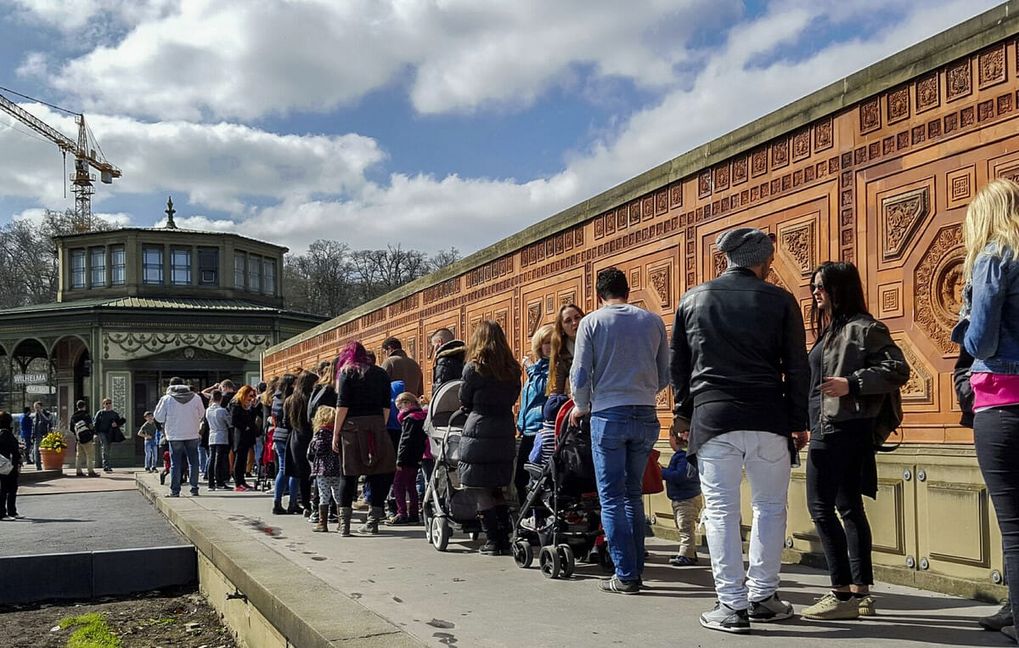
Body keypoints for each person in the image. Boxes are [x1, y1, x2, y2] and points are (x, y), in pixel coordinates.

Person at [671, 227, 809, 632]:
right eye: (770, 260)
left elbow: (681, 366)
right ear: (762, 261)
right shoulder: (782, 300)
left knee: (720, 512)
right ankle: (763, 595)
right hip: (769, 415)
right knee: (770, 508)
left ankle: (731, 605)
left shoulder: (693, 298)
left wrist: (682, 414)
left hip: (714, 418)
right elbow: (797, 367)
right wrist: (798, 421)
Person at [799, 261, 909, 621]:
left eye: (821, 286)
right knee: (849, 509)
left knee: (820, 508)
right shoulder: (834, 329)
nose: (815, 292)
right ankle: (861, 593)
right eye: (814, 286)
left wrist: (853, 383)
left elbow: (897, 369)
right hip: (836, 427)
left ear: (839, 289)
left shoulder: (864, 328)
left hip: (839, 428)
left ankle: (841, 592)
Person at [568, 268, 669, 593]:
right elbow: (665, 372)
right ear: (628, 290)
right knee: (632, 495)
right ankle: (635, 566)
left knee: (610, 497)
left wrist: (582, 404)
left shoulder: (592, 322)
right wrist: (646, 390)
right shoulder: (652, 321)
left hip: (608, 412)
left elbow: (581, 371)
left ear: (599, 295)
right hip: (645, 412)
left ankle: (626, 574)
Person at [952, 178, 1019, 645]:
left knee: (1013, 522)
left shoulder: (993, 257)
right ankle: (1013, 605)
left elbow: (982, 339)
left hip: (1003, 396)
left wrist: (964, 332)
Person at [459, 320, 522, 555]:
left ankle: (493, 540)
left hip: (479, 427)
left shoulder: (473, 368)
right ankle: (505, 537)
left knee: (481, 489)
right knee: (498, 487)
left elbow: (464, 397)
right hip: (505, 427)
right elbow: (514, 395)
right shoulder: (513, 368)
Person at [332, 341, 397, 535]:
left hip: (351, 427)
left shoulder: (346, 372)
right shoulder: (381, 374)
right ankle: (373, 521)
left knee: (348, 474)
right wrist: (380, 426)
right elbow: (386, 407)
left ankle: (344, 525)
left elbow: (342, 406)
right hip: (377, 425)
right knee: (380, 473)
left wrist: (336, 433)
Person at [515, 324, 552, 505]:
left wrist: (530, 369)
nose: (549, 346)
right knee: (522, 479)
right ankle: (527, 520)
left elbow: (543, 389)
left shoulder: (552, 368)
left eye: (552, 342)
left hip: (541, 429)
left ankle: (535, 518)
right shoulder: (538, 367)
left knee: (535, 479)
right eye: (546, 343)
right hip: (528, 430)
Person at [154, 377, 206, 497]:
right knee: (193, 461)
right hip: (192, 433)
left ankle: (175, 490)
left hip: (174, 434)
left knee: (175, 462)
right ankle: (194, 488)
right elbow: (202, 414)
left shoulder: (166, 399)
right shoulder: (196, 398)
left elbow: (159, 417)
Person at [662, 424, 702, 567]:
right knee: (683, 526)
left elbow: (680, 476)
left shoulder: (684, 457)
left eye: (669, 437)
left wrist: (662, 472)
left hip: (686, 498)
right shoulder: (685, 455)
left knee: (685, 527)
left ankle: (686, 555)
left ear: (675, 438)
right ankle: (690, 551)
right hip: (683, 497)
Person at [283, 372, 318, 510]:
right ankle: (314, 503)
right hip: (310, 436)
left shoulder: (290, 400)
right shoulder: (310, 399)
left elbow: (285, 422)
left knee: (303, 474)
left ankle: (306, 504)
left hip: (295, 437)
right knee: (314, 472)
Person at [391, 392, 426, 525]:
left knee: (398, 485)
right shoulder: (422, 417)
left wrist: (399, 459)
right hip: (417, 456)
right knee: (411, 485)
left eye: (400, 407)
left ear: (407, 403)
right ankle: (414, 513)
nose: (399, 411)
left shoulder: (409, 419)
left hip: (406, 457)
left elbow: (405, 441)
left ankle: (402, 513)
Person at [271, 374, 301, 515]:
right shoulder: (291, 400)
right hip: (289, 435)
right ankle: (292, 503)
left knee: (282, 469)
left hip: (278, 435)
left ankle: (277, 502)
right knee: (292, 470)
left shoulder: (276, 398)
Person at [309, 404, 342, 533]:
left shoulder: (321, 432)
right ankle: (342, 523)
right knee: (338, 495)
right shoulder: (337, 433)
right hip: (337, 469)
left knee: (324, 495)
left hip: (323, 470)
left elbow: (317, 448)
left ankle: (322, 523)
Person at [548, 304, 585, 395]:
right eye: (568, 321)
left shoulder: (598, 341)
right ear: (562, 328)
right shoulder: (561, 355)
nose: (574, 323)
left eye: (577, 318)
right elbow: (555, 391)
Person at [230, 385, 259, 492]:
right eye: (250, 395)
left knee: (243, 459)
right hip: (240, 435)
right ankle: (238, 482)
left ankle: (242, 481)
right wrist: (244, 426)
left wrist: (253, 407)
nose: (251, 398)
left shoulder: (247, 406)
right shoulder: (236, 405)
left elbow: (252, 418)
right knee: (239, 459)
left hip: (248, 435)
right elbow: (233, 421)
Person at [206, 390, 231, 491]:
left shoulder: (208, 410)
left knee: (212, 459)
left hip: (212, 435)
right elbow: (229, 422)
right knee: (219, 460)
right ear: (221, 398)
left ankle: (211, 482)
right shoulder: (222, 410)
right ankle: (220, 481)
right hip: (221, 435)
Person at [0, 410, 23, 520]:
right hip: (8, 465)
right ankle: (8, 512)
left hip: (3, 464)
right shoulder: (7, 434)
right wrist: (19, 459)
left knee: (5, 489)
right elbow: (14, 450)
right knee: (9, 489)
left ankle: (9, 512)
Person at [431, 328, 466, 393]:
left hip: (449, 401)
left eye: (434, 346)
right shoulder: (466, 356)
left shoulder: (443, 361)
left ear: (440, 342)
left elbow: (440, 389)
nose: (434, 350)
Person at [93, 398, 123, 473]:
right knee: (105, 447)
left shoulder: (114, 413)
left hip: (110, 433)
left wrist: (116, 424)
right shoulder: (100, 413)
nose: (108, 405)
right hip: (102, 432)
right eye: (106, 403)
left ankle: (107, 464)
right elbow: (95, 423)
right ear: (103, 405)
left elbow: (119, 422)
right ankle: (106, 465)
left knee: (107, 448)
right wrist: (95, 433)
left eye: (109, 403)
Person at [70, 400, 99, 478]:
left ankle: (78, 471)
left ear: (77, 406)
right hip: (87, 438)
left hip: (79, 439)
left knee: (79, 456)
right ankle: (90, 471)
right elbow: (90, 425)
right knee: (89, 455)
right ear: (84, 406)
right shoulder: (86, 415)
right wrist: (93, 433)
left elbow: (71, 428)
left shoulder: (73, 416)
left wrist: (77, 434)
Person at [30, 401, 52, 471]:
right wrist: (32, 435)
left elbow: (47, 421)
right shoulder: (34, 416)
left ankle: (48, 465)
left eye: (37, 407)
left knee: (46, 451)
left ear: (41, 407)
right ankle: (38, 467)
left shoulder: (47, 414)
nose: (36, 409)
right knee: (36, 452)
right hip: (37, 435)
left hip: (44, 435)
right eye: (35, 407)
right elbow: (33, 426)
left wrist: (40, 413)